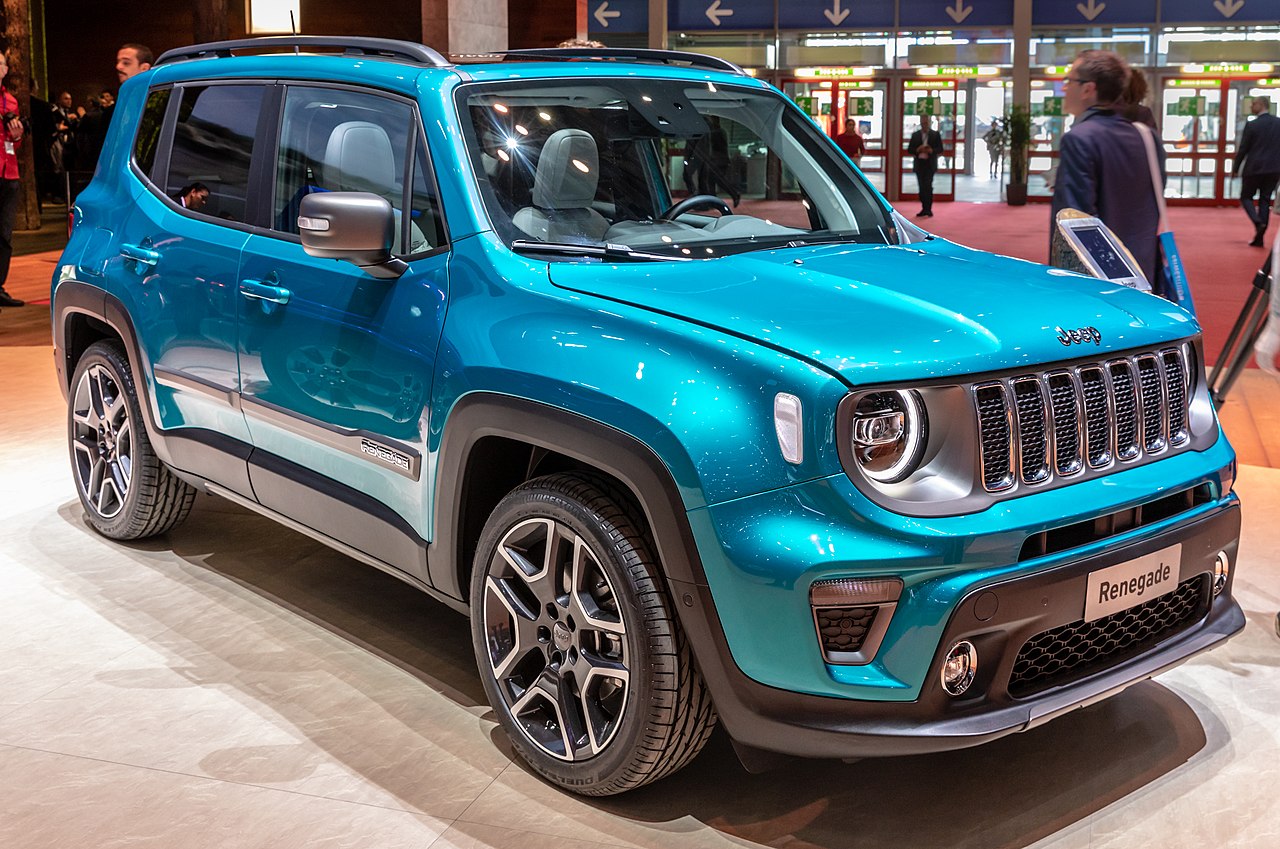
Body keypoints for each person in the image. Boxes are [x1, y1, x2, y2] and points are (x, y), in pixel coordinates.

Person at [1051, 50, 1162, 285]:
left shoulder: (1079, 139)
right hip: (1144, 268)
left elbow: (1075, 225)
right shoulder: (1147, 136)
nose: (1064, 88)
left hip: (1099, 280)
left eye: (1068, 81)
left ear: (1087, 89)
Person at [77, 43, 153, 173]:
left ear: (144, 68)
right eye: (118, 62)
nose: (118, 67)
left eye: (126, 63)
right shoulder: (113, 111)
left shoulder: (156, 105)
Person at [1235, 95, 1280, 248]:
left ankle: (1257, 222)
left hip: (1254, 168)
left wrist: (1235, 168)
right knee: (1265, 200)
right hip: (1274, 168)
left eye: (1253, 104)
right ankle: (1260, 237)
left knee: (1246, 196)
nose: (1251, 107)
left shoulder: (1252, 125)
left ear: (1261, 104)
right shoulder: (1278, 123)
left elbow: (1243, 149)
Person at [0, 52, 26, 308]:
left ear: (5, 70)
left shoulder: (11, 102)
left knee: (4, 234)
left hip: (9, 172)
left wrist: (17, 136)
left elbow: (14, 142)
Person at [907, 115, 942, 217]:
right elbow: (909, 149)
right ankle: (924, 208)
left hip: (930, 164)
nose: (924, 125)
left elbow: (940, 149)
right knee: (921, 187)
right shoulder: (915, 135)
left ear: (929, 123)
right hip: (919, 164)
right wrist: (917, 150)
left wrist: (931, 150)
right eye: (922, 123)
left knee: (928, 186)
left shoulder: (935, 135)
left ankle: (928, 209)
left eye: (926, 123)